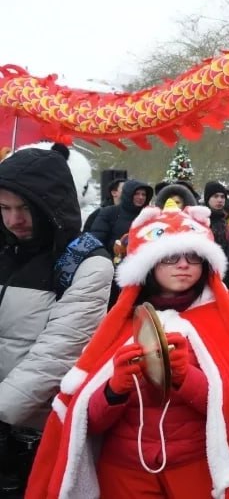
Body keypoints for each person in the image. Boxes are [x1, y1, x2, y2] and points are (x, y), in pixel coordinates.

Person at [24, 200, 229, 498]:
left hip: (196, 470)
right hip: (124, 474)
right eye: (170, 257)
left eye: (193, 256)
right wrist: (113, 391)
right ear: (149, 264)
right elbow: (90, 423)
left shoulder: (222, 320)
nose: (184, 264)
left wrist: (185, 379)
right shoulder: (121, 323)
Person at [0, 147, 115, 495]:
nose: (14, 220)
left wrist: (2, 410)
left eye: (25, 208)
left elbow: (57, 353)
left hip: (36, 434)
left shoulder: (87, 264)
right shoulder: (5, 251)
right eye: (4, 208)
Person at [88, 179, 154, 254]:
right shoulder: (109, 212)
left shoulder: (150, 215)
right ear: (128, 194)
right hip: (112, 261)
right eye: (136, 194)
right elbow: (96, 241)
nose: (141, 197)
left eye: (143, 194)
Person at [202, 180, 229, 247]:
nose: (220, 200)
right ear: (208, 199)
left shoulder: (226, 220)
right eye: (215, 196)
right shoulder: (201, 221)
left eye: (222, 197)